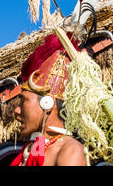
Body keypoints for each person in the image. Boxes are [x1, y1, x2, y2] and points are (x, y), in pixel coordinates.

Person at [10, 34, 87, 166]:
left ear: (47, 103)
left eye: (23, 102)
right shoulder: (28, 152)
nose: (17, 110)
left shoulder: (69, 151)